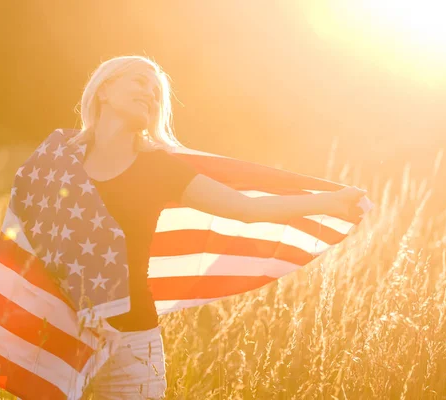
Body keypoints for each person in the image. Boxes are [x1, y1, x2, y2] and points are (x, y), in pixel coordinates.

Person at [66, 55, 366, 399]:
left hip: (133, 343)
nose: (149, 94)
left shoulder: (159, 168)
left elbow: (245, 209)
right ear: (104, 90)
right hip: (63, 339)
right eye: (139, 82)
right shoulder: (60, 160)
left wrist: (327, 202)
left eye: (155, 91)